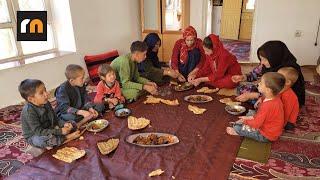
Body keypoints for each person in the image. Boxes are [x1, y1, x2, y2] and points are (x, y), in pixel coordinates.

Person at [232, 41, 305, 106]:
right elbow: (254, 74)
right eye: (261, 59)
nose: (261, 62)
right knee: (244, 89)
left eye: (264, 59)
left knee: (264, 104)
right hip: (270, 90)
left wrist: (252, 95)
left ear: (274, 57)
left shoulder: (286, 71)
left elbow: (277, 92)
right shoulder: (270, 63)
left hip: (283, 98)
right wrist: (242, 77)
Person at [19, 79, 80, 149]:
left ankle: (58, 139)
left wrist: (64, 124)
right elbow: (39, 131)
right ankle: (66, 137)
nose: (46, 94)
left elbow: (55, 119)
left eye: (45, 90)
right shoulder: (29, 111)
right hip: (36, 134)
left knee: (71, 123)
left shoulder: (46, 103)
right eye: (41, 93)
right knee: (41, 140)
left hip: (49, 128)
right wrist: (60, 131)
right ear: (31, 99)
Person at [226, 72, 285, 142]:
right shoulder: (275, 97)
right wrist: (250, 117)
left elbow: (257, 123)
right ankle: (245, 123)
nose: (258, 84)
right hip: (269, 126)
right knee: (252, 112)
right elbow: (263, 114)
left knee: (237, 127)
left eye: (261, 83)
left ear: (268, 90)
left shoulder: (267, 106)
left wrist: (245, 121)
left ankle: (238, 131)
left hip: (266, 135)